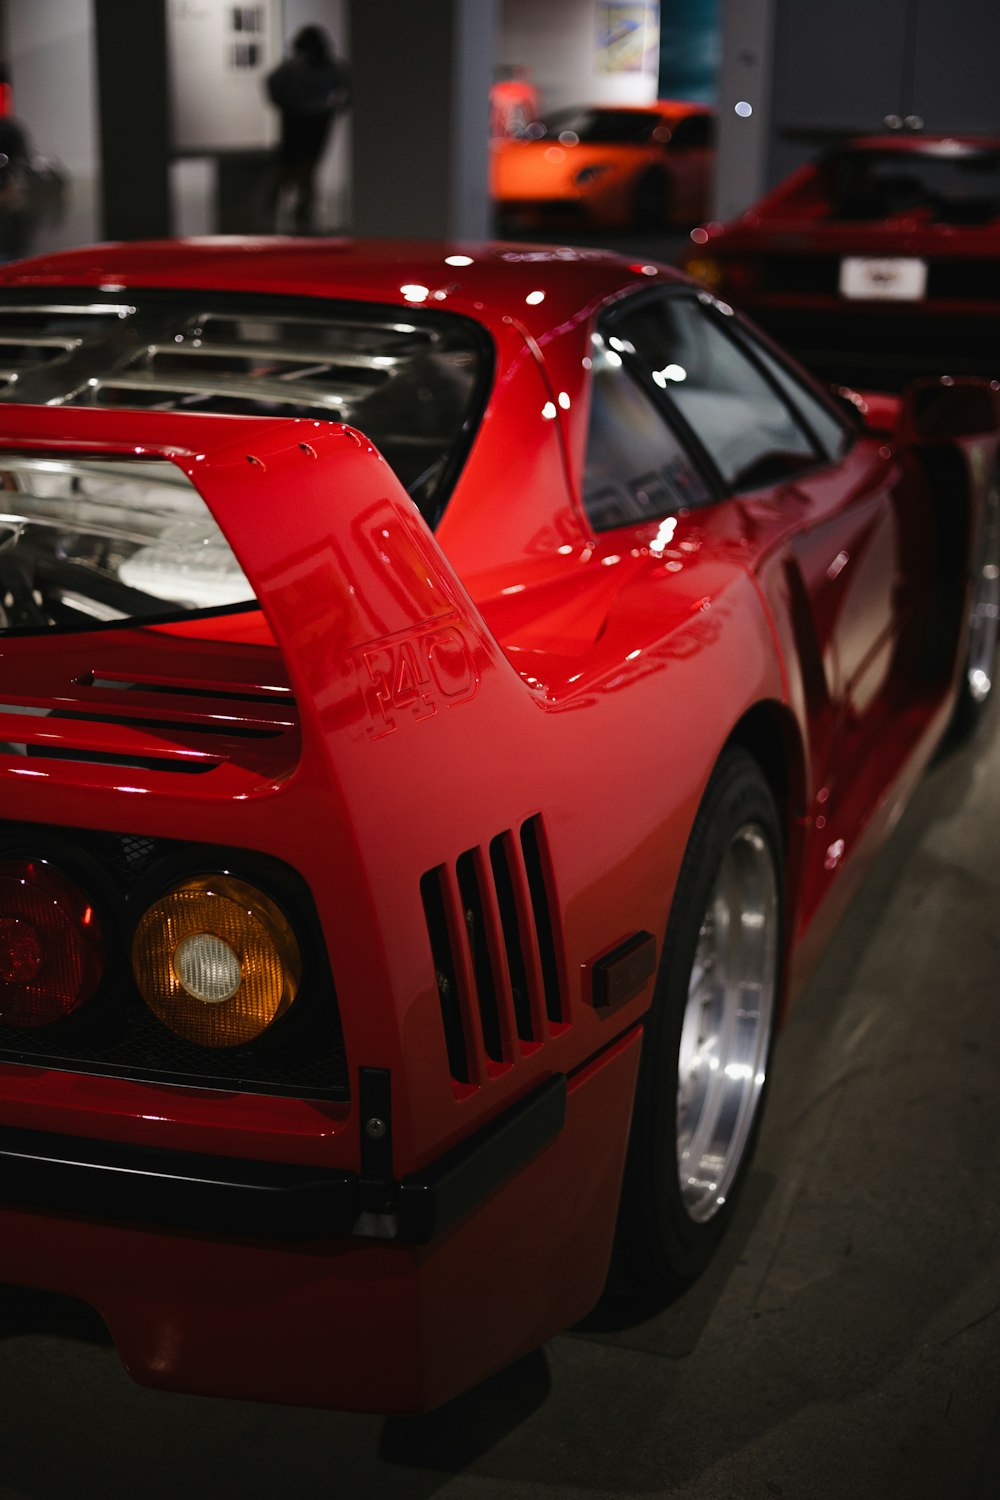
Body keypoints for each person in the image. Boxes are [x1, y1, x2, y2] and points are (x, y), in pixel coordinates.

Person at [264, 25, 350, 232]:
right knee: (295, 167)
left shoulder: (323, 67)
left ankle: (296, 209)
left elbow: (272, 83)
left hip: (308, 119)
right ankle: (283, 209)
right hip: (305, 119)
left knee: (301, 167)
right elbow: (272, 84)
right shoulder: (303, 67)